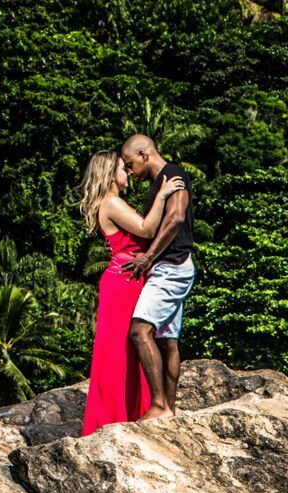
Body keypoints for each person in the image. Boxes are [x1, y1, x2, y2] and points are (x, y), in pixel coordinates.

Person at [79, 152, 186, 437]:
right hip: (122, 281)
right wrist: (163, 195)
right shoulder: (111, 202)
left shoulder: (116, 202)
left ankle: (138, 409)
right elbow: (147, 229)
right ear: (109, 174)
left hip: (130, 279)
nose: (127, 172)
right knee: (120, 351)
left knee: (132, 349)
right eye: (121, 168)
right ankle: (114, 417)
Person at [120, 134, 195, 421]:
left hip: (170, 267)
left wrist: (149, 257)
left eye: (130, 165)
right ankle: (169, 410)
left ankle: (160, 405)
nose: (129, 172)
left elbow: (176, 218)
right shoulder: (163, 180)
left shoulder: (173, 174)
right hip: (174, 266)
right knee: (168, 341)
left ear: (143, 154)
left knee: (140, 332)